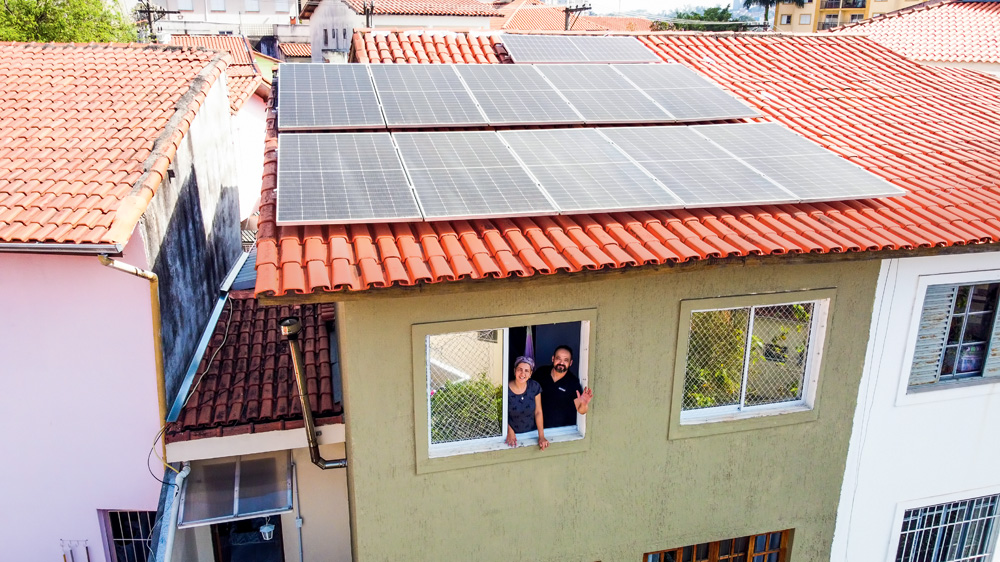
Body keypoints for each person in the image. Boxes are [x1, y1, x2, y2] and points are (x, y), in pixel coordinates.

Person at [532, 345, 593, 429]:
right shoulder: (541, 372)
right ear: (553, 359)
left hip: (560, 430)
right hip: (536, 427)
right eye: (558, 358)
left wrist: (584, 404)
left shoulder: (572, 382)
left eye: (566, 360)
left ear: (570, 363)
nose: (561, 363)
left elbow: (581, 410)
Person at [506, 356, 549, 450]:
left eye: (526, 371)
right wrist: (509, 429)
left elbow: (538, 412)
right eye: (520, 369)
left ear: (530, 373)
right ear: (514, 371)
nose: (522, 373)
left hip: (530, 433)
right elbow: (500, 414)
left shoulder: (534, 387)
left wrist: (541, 436)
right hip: (512, 436)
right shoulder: (505, 389)